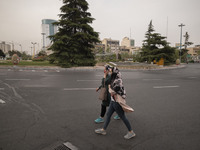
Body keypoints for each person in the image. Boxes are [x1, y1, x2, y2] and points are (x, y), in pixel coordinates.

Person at [95, 67, 136, 139]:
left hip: (117, 101)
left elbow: (113, 91)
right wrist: (110, 89)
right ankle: (103, 130)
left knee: (123, 116)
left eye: (111, 72)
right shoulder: (114, 79)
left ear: (114, 73)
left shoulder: (118, 81)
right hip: (113, 101)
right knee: (108, 115)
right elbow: (107, 85)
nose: (110, 73)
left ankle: (131, 132)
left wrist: (110, 89)